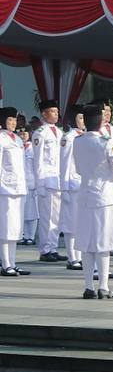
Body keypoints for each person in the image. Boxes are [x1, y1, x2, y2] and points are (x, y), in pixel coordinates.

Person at [72, 105, 113, 298]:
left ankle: (88, 286)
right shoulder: (106, 142)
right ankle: (103, 286)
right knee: (103, 243)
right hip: (105, 195)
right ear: (101, 121)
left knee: (87, 242)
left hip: (86, 193)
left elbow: (78, 168)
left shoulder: (77, 141)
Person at [32, 99, 64, 263]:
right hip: (46, 180)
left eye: (57, 111)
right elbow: (37, 161)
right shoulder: (40, 133)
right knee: (47, 217)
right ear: (44, 114)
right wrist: (40, 183)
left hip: (58, 179)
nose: (56, 114)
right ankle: (45, 249)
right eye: (52, 111)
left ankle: (53, 247)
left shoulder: (59, 132)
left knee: (57, 217)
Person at [0, 108, 31, 276]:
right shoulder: (1, 139)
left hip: (19, 187)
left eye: (14, 120)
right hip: (5, 188)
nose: (12, 123)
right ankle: (5, 264)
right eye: (9, 120)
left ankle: (12, 262)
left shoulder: (18, 140)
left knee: (15, 228)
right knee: (5, 227)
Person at [59, 105, 86, 271]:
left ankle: (79, 255)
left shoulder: (83, 137)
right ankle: (71, 257)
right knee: (70, 223)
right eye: (80, 118)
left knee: (80, 222)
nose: (83, 121)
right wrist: (64, 188)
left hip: (81, 184)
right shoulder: (69, 138)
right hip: (71, 184)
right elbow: (64, 164)